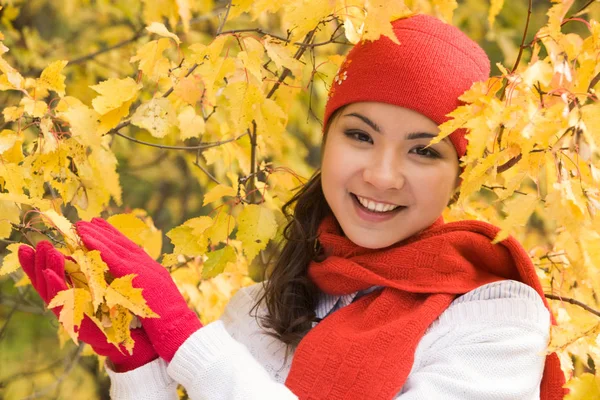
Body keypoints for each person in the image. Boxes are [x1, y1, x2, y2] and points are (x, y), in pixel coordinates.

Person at [18, 14, 567, 399]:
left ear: (458, 177)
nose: (382, 174)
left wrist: (186, 340)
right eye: (360, 136)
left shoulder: (495, 320)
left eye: (423, 151)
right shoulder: (259, 311)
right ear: (326, 142)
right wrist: (137, 367)